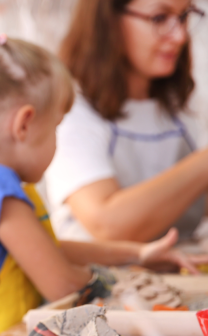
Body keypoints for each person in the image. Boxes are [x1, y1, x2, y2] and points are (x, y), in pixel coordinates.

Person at [0, 36, 208, 336]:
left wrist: (137, 253)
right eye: (56, 127)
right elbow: (63, 285)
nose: (57, 140)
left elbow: (48, 249)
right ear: (24, 125)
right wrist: (119, 281)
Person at [45, 0, 208, 242]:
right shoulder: (68, 109)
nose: (180, 37)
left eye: (184, 17)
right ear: (107, 21)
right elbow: (107, 226)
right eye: (159, 18)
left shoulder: (181, 103)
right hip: (106, 276)